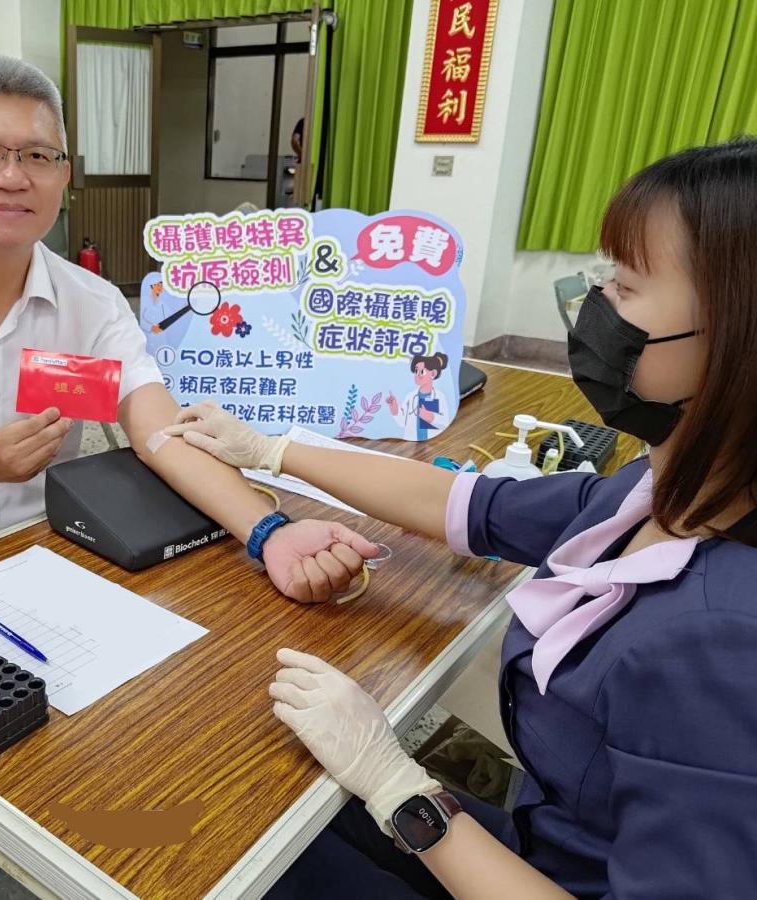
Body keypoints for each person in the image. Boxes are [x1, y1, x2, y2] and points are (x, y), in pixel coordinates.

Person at [0, 56, 375, 900]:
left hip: (50, 559)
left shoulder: (91, 303)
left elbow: (161, 434)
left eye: (38, 156)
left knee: (107, 739)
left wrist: (268, 530)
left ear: (65, 176)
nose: (12, 176)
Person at [164, 139, 757, 897]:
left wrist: (400, 790)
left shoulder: (719, 643)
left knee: (218, 865)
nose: (593, 303)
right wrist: (272, 450)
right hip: (543, 843)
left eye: (626, 286)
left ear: (735, 335)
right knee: (265, 800)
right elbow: (467, 505)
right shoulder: (658, 491)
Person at [386, 352, 450, 441]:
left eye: (422, 371)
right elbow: (403, 422)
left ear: (433, 373)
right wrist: (395, 409)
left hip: (433, 441)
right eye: (416, 371)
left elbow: (445, 422)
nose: (418, 375)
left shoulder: (439, 396)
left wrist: (432, 417)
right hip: (411, 442)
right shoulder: (410, 396)